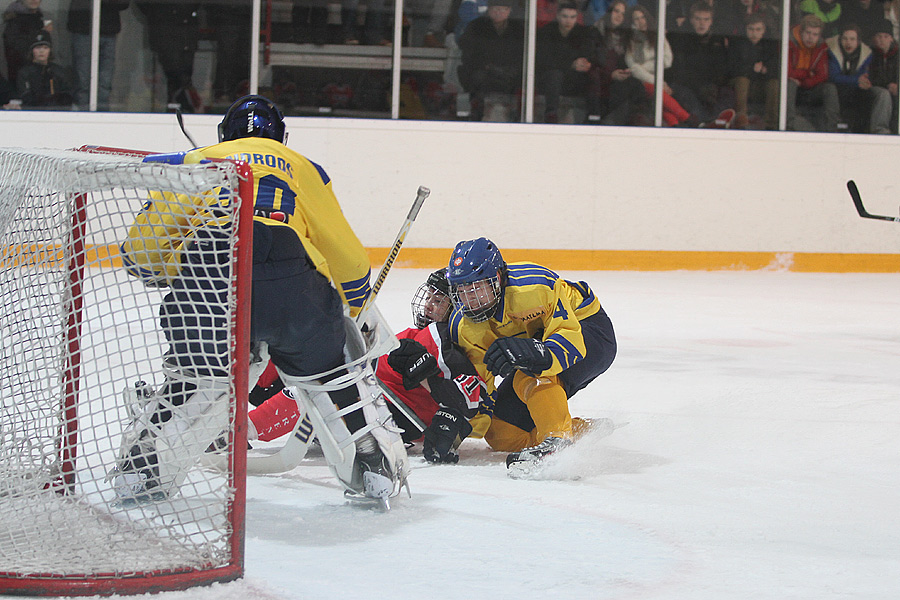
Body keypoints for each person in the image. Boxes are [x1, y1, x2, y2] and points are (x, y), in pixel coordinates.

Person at [110, 95, 408, 504]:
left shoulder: (197, 160)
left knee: (198, 378)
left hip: (211, 279)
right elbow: (344, 251)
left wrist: (169, 273)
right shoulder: (304, 168)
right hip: (292, 287)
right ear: (281, 137)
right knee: (331, 375)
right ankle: (372, 466)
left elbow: (142, 251)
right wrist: (355, 304)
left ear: (224, 134)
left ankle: (140, 471)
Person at [246, 269, 488, 464]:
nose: (428, 306)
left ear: (456, 307)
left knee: (310, 391)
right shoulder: (419, 333)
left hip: (387, 408)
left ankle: (238, 432)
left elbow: (472, 398)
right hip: (370, 392)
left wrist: (426, 376)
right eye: (428, 298)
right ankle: (244, 391)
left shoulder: (441, 336)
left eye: (438, 301)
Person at [445, 237, 617, 475]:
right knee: (500, 431)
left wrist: (539, 352)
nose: (469, 300)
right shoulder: (464, 326)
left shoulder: (533, 286)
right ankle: (581, 431)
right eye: (462, 291)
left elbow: (570, 339)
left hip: (589, 332)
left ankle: (557, 440)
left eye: (476, 289)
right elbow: (478, 387)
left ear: (497, 279)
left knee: (528, 371)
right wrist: (456, 429)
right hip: (539, 344)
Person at [666, 2, 736, 126]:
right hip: (687, 84)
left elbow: (722, 68)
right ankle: (705, 122)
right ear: (691, 20)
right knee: (684, 93)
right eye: (697, 19)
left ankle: (714, 121)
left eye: (706, 19)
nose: (702, 23)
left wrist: (713, 84)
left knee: (727, 93)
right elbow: (678, 70)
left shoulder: (718, 39)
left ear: (711, 21)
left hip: (710, 84)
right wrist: (700, 86)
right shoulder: (680, 38)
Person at [625, 4, 695, 126]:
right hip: (639, 83)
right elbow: (633, 69)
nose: (641, 21)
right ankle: (687, 118)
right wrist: (659, 83)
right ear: (631, 22)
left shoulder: (658, 34)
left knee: (657, 95)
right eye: (636, 18)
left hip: (656, 80)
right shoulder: (629, 40)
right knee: (654, 90)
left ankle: (675, 125)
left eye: (643, 17)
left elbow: (667, 60)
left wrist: (644, 68)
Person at [457, 0, 524, 121]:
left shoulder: (518, 28)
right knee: (477, 77)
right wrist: (486, 66)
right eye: (495, 9)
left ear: (509, 11)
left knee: (518, 79)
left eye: (503, 9)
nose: (499, 12)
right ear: (489, 10)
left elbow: (521, 54)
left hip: (509, 72)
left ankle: (514, 115)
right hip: (483, 70)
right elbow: (467, 51)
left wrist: (509, 69)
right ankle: (477, 112)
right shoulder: (476, 26)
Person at [587, 0, 649, 125]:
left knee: (635, 86)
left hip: (618, 79)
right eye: (616, 11)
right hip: (600, 78)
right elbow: (594, 61)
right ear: (609, 12)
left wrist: (623, 72)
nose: (619, 16)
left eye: (623, 14)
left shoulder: (626, 36)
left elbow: (633, 59)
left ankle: (638, 120)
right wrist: (611, 74)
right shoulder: (595, 31)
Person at [134, 0, 202, 112]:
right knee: (170, 73)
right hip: (164, 29)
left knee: (185, 73)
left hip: (186, 29)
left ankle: (182, 106)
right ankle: (173, 106)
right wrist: (157, 14)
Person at [535, 0, 595, 123]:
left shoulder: (583, 33)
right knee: (554, 75)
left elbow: (589, 55)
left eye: (572, 17)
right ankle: (551, 113)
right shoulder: (546, 32)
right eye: (565, 16)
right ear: (557, 16)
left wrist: (585, 63)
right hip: (550, 79)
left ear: (577, 17)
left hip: (575, 79)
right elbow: (544, 59)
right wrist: (571, 64)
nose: (568, 21)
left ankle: (594, 116)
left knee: (593, 76)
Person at [827, 22, 891, 132]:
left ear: (858, 41)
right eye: (845, 39)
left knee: (882, 94)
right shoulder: (832, 50)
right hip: (838, 90)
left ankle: (880, 131)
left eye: (852, 39)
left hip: (858, 90)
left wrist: (861, 81)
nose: (848, 43)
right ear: (840, 39)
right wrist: (856, 80)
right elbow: (833, 76)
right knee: (830, 89)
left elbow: (865, 77)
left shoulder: (867, 53)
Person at [66, 0, 128, 111]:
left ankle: (101, 117)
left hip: (108, 30)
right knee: (82, 81)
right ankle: (81, 118)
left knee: (105, 82)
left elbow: (123, 3)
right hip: (83, 28)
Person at [786, 14, 839, 131]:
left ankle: (832, 129)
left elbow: (822, 75)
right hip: (792, 88)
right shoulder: (789, 42)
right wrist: (808, 73)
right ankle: (789, 125)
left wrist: (804, 81)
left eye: (815, 34)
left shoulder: (821, 46)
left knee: (829, 88)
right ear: (801, 31)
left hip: (808, 87)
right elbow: (788, 72)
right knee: (790, 84)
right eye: (808, 33)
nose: (811, 38)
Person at [727, 13, 779, 129]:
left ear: (764, 30)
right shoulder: (737, 43)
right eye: (750, 29)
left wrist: (765, 70)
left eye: (758, 29)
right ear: (745, 29)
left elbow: (777, 68)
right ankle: (741, 120)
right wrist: (752, 68)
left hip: (761, 87)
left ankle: (771, 123)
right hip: (741, 87)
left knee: (774, 83)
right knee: (742, 80)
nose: (754, 33)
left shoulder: (770, 44)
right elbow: (732, 68)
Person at [16, 30, 73, 108]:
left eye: (45, 48)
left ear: (50, 51)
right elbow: (26, 97)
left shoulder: (58, 71)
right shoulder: (25, 73)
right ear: (32, 51)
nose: (41, 51)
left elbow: (67, 96)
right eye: (38, 48)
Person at [2, 0, 49, 85]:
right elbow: (15, 48)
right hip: (22, 74)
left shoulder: (37, 17)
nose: (34, 0)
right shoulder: (15, 20)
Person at [867, 18, 898, 133]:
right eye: (879, 36)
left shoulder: (897, 55)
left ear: (891, 38)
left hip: (894, 89)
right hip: (875, 90)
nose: (882, 40)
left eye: (886, 36)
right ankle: (880, 130)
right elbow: (871, 77)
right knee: (884, 95)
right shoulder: (870, 54)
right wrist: (888, 85)